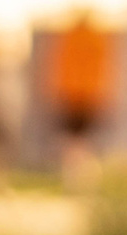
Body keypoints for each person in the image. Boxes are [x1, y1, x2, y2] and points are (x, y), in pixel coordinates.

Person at [47, 11, 117, 194]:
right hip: (83, 95)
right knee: (80, 140)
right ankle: (82, 176)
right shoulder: (92, 37)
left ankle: (79, 175)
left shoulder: (74, 37)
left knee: (78, 141)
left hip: (77, 95)